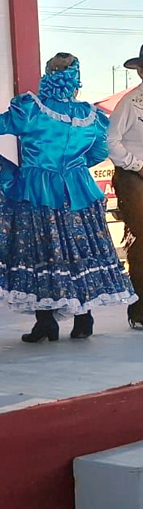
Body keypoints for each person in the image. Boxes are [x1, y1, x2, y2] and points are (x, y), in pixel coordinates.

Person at [0, 53, 136, 343]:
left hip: (37, 191)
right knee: (78, 253)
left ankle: (46, 323)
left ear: (48, 75)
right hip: (79, 190)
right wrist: (75, 168)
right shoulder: (91, 116)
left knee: (41, 253)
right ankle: (83, 319)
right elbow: (100, 151)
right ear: (75, 80)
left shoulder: (32, 109)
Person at [106, 44, 143, 328]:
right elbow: (111, 140)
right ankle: (140, 307)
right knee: (142, 239)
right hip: (134, 177)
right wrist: (136, 164)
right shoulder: (131, 102)